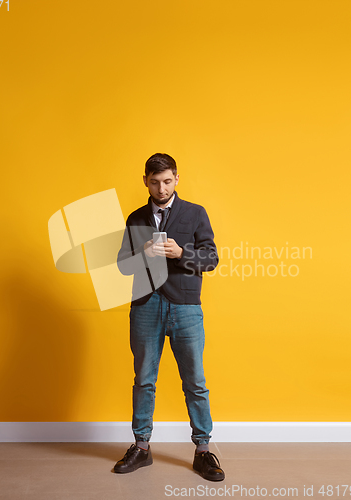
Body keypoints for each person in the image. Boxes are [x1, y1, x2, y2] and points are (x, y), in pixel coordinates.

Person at [114, 153, 224, 481]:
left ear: (177, 178)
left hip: (186, 307)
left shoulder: (195, 213)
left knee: (195, 382)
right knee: (144, 380)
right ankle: (141, 447)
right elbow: (122, 265)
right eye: (154, 181)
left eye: (167, 181)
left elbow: (211, 258)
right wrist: (142, 254)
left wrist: (181, 253)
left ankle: (203, 450)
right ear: (145, 180)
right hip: (146, 306)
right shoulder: (136, 218)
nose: (161, 188)